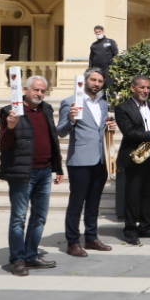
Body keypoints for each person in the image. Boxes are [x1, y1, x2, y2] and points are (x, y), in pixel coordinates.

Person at [0, 75, 63, 276]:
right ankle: (18, 260)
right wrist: (10, 126)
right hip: (23, 173)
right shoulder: (10, 111)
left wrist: (58, 167)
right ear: (25, 90)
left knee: (40, 217)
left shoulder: (46, 109)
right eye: (36, 89)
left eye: (42, 90)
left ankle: (31, 255)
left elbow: (53, 138)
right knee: (19, 218)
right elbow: (4, 144)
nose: (39, 94)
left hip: (45, 171)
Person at [57, 68, 113, 257]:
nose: (96, 84)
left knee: (94, 203)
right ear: (85, 80)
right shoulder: (70, 102)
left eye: (100, 81)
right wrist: (71, 120)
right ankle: (73, 242)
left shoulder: (103, 104)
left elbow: (98, 129)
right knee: (77, 203)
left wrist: (110, 127)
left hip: (100, 159)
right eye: (93, 80)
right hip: (80, 160)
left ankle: (91, 237)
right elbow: (60, 131)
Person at [114, 75, 150, 245]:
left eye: (148, 88)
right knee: (133, 195)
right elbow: (129, 132)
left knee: (149, 194)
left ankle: (147, 227)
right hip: (134, 156)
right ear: (133, 88)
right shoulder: (122, 108)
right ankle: (130, 230)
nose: (145, 91)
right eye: (142, 87)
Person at [88, 25, 119, 89]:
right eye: (96, 32)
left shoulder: (110, 42)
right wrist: (90, 69)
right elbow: (91, 58)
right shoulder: (94, 45)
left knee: (109, 87)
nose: (98, 33)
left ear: (103, 32)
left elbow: (115, 54)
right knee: (99, 87)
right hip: (97, 70)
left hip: (108, 69)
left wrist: (114, 67)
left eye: (99, 31)